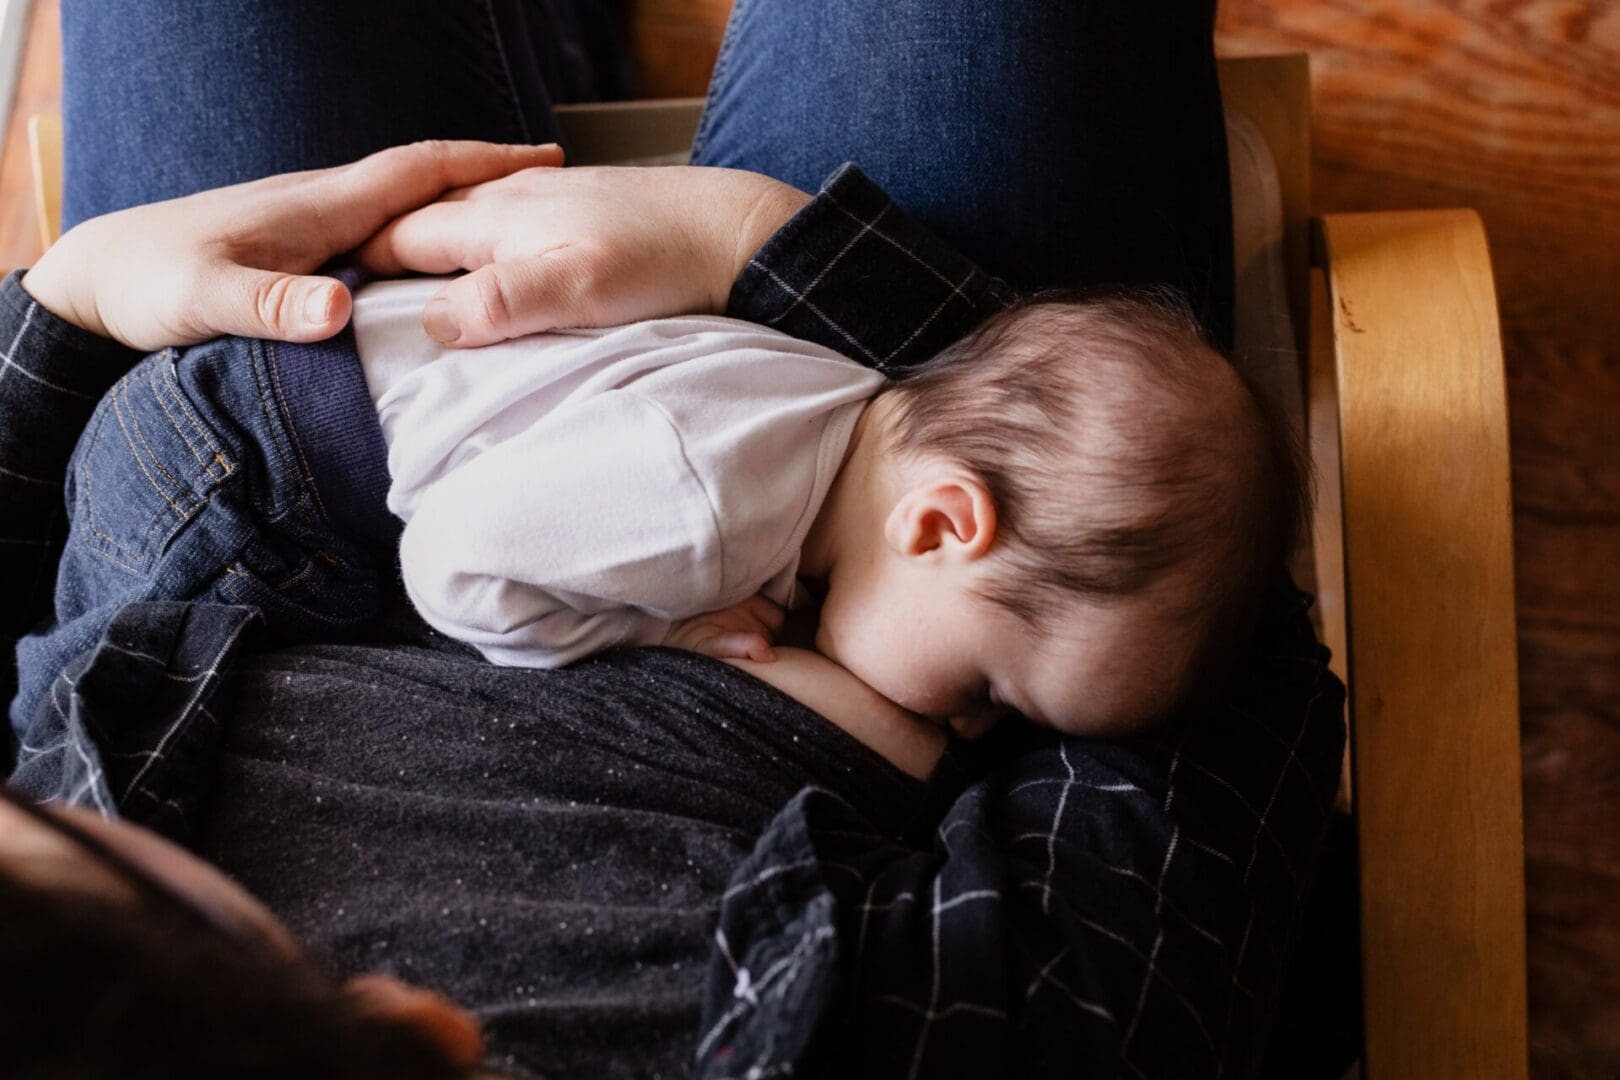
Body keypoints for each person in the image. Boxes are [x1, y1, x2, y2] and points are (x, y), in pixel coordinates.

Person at [1, 1, 1346, 1077]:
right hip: (815, 401)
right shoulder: (934, 1030)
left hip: (262, 447)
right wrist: (767, 250)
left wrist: (63, 305)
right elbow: (1214, 669)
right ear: (419, 1031)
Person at [14, 206, 1302, 743]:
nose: (968, 731)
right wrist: (668, 635)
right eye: (986, 688)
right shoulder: (707, 512)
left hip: (281, 402)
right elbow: (452, 563)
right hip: (238, 481)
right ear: (945, 523)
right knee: (124, 682)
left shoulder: (834, 397)